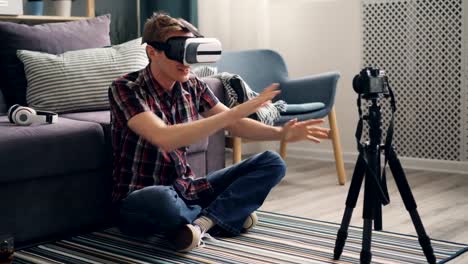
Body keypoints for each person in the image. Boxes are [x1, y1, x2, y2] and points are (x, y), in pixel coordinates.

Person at [108, 12, 331, 252]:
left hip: (186, 188)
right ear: (153, 52)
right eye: (178, 50)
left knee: (272, 162)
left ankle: (202, 224)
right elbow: (164, 137)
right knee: (163, 202)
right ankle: (225, 214)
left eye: (191, 51)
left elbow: (234, 125)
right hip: (142, 198)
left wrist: (281, 134)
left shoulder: (192, 84)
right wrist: (234, 113)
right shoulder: (126, 88)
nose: (186, 61)